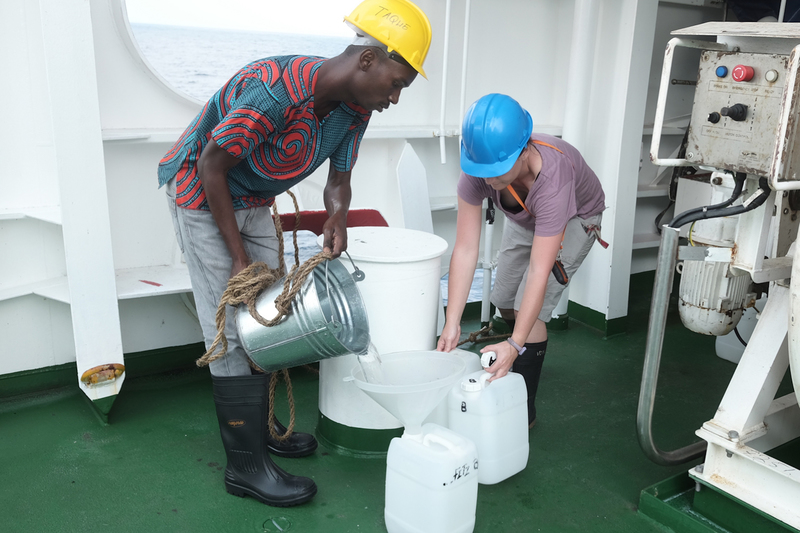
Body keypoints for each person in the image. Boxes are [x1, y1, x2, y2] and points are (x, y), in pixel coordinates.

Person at [157, 0, 431, 507]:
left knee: (271, 317)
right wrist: (238, 258)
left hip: (254, 199)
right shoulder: (277, 90)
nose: (395, 97)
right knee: (231, 328)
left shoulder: (356, 108)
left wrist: (337, 215)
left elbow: (340, 180)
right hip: (202, 193)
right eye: (397, 83)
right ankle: (245, 467)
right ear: (369, 59)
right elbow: (212, 166)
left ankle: (261, 431)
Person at [437, 93, 606, 429]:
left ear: (524, 149)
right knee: (502, 298)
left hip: (576, 218)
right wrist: (452, 322)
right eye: (481, 171)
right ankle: (521, 348)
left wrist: (515, 343)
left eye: (496, 171)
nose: (487, 180)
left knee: (533, 311)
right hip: (524, 216)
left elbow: (540, 273)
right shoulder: (479, 167)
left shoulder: (554, 179)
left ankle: (522, 410)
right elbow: (466, 249)